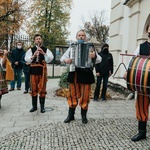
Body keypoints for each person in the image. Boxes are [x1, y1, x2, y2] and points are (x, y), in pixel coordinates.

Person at [60, 29, 102, 124]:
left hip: (86, 73)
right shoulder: (72, 47)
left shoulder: (91, 47)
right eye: (79, 35)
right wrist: (66, 60)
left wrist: (94, 55)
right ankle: (71, 115)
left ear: (85, 37)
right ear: (76, 37)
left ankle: (84, 115)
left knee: (85, 95)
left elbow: (99, 59)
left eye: (83, 35)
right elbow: (63, 58)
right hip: (74, 72)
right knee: (72, 94)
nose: (81, 37)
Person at [124, 23, 150, 142]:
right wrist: (127, 73)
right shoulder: (141, 47)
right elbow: (133, 61)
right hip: (143, 83)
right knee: (141, 107)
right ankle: (142, 132)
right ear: (147, 31)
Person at [25, 34, 54, 113]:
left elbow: (50, 59)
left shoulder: (45, 49)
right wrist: (34, 55)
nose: (38, 40)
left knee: (42, 88)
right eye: (37, 39)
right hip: (33, 70)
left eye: (39, 39)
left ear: (42, 40)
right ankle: (34, 106)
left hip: (42, 71)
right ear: (35, 41)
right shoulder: (31, 50)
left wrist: (44, 53)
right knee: (33, 88)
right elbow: (27, 60)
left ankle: (42, 107)